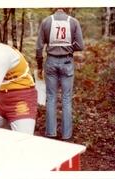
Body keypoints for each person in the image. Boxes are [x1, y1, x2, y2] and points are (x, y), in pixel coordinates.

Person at [35, 8, 84, 140]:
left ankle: (51, 132)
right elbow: (80, 45)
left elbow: (39, 47)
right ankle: (66, 134)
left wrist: (39, 66)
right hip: (67, 62)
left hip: (50, 61)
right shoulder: (73, 22)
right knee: (66, 98)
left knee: (51, 97)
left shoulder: (46, 21)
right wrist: (67, 47)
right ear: (67, 8)